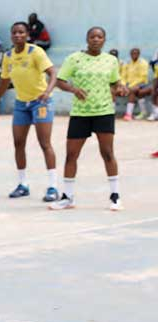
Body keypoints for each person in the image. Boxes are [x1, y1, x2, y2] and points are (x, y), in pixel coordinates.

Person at [51, 26, 128, 211]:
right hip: (80, 114)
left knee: (107, 153)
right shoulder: (74, 59)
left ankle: (115, 196)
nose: (95, 39)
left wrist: (121, 87)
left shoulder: (110, 60)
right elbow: (60, 80)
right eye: (92, 36)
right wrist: (73, 89)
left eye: (99, 36)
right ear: (87, 39)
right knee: (71, 155)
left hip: (104, 111)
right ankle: (68, 197)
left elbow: (115, 81)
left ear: (104, 40)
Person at [0, 22, 60, 202]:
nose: (18, 35)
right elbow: (4, 81)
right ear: (11, 36)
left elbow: (53, 73)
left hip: (40, 103)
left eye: (21, 32)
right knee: (18, 143)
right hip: (21, 104)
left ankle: (53, 187)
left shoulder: (35, 52)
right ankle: (23, 184)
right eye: (14, 32)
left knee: (44, 143)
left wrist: (47, 91)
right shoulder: (8, 56)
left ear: (27, 35)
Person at [121, 48, 152, 121]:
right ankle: (143, 113)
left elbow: (142, 77)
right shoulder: (128, 63)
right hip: (130, 85)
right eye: (132, 53)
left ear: (139, 54)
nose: (134, 55)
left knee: (132, 91)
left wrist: (130, 86)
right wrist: (124, 85)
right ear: (130, 54)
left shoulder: (143, 63)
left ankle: (128, 114)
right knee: (137, 93)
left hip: (142, 84)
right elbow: (123, 76)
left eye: (136, 53)